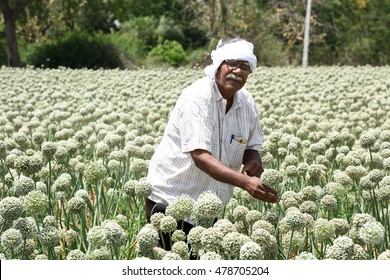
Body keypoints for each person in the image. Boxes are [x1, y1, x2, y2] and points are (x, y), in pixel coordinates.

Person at [145, 37, 279, 248]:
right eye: (232, 63)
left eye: (245, 66)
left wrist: (253, 160)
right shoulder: (197, 97)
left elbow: (252, 144)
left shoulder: (246, 103)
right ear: (218, 65)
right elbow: (201, 157)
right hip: (171, 199)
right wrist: (245, 183)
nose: (237, 71)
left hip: (209, 205)